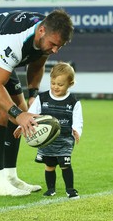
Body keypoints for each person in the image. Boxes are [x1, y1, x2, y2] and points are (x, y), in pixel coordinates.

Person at [0, 9, 74, 196]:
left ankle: (10, 177)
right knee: (3, 114)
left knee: (21, 111)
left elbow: (38, 64)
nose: (55, 50)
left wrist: (33, 94)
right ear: (41, 31)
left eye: (59, 47)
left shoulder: (47, 36)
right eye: (53, 45)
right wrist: (19, 115)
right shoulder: (16, 41)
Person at [14, 62, 83, 199]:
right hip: (46, 140)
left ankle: (70, 189)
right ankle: (51, 189)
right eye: (53, 83)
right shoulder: (42, 98)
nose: (56, 87)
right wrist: (21, 127)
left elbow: (78, 119)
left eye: (60, 84)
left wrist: (76, 130)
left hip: (64, 140)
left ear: (71, 84)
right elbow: (31, 115)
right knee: (49, 165)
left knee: (65, 164)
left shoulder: (74, 101)